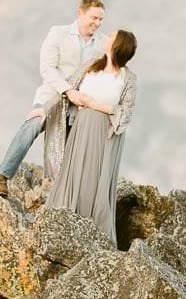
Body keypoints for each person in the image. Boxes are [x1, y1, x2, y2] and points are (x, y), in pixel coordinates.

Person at [0, 0, 106, 196]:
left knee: (72, 148)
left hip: (79, 104)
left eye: (100, 20)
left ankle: (71, 193)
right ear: (80, 14)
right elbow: (47, 69)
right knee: (32, 126)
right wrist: (67, 91)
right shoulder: (58, 33)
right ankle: (3, 176)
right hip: (51, 95)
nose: (97, 23)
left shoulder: (102, 43)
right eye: (93, 18)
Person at [45, 30, 138, 245]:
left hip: (105, 132)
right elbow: (67, 87)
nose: (106, 38)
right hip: (82, 126)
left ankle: (93, 228)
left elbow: (125, 113)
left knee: (95, 176)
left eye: (112, 37)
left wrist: (94, 105)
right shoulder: (90, 65)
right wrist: (43, 109)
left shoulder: (128, 79)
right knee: (75, 171)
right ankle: (64, 218)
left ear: (117, 46)